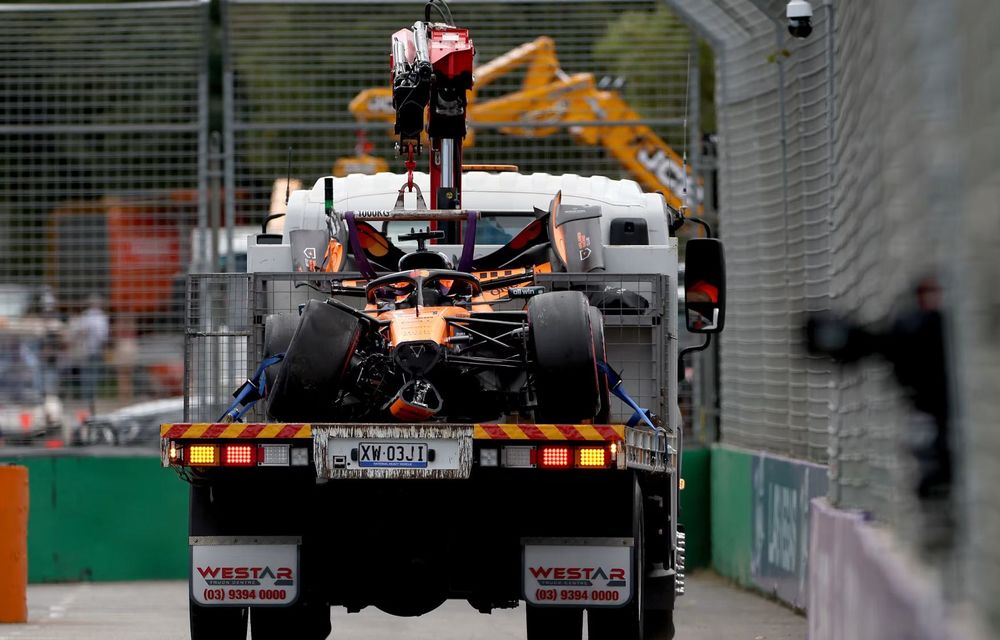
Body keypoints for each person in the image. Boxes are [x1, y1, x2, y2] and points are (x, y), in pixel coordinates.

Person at [68, 294, 109, 415]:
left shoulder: (85, 317)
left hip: (85, 350)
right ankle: (91, 398)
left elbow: (77, 332)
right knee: (93, 374)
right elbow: (103, 336)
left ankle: (87, 398)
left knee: (86, 375)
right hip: (95, 349)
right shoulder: (101, 318)